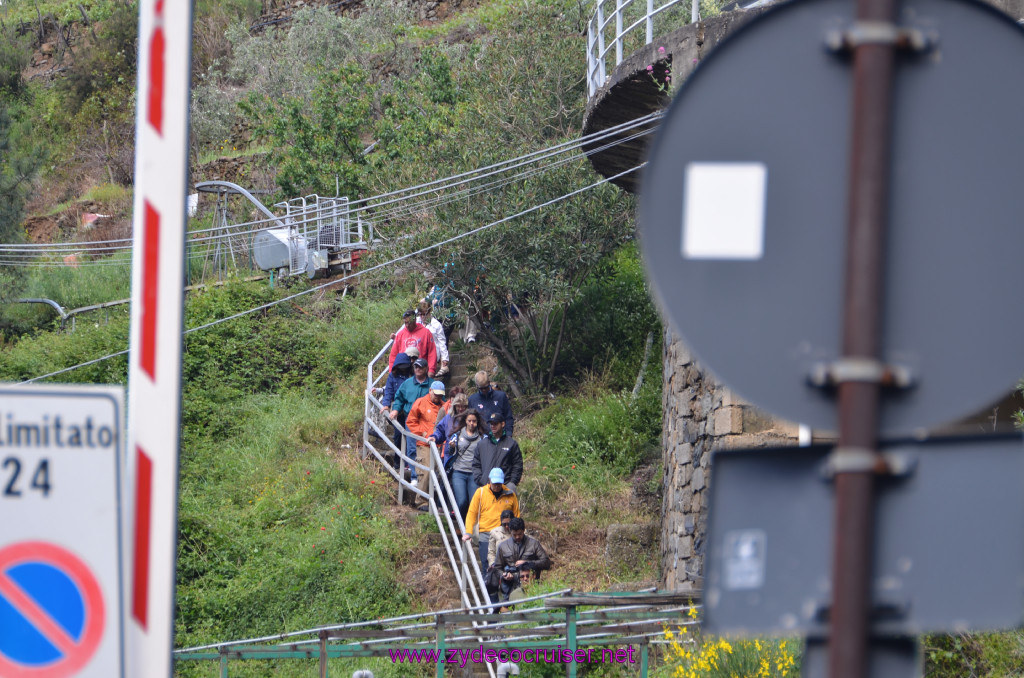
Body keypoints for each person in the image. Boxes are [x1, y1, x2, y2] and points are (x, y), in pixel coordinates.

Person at [462, 467, 519, 571]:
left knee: (504, 564)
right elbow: (472, 513)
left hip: (504, 534)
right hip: (485, 534)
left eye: (499, 484)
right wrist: (468, 532)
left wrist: (517, 533)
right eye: (494, 483)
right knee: (486, 565)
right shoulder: (481, 492)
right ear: (489, 481)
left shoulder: (510, 494)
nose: (496, 486)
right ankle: (486, 585)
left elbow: (517, 515)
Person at [406, 381, 447, 510]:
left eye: (440, 395)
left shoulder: (444, 406)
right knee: (425, 471)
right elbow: (410, 421)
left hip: (440, 443)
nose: (438, 397)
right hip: (424, 443)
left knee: (438, 473)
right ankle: (421, 501)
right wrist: (422, 433)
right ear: (430, 391)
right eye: (436, 394)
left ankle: (436, 502)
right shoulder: (420, 402)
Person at [493, 517, 551, 602]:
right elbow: (497, 568)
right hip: (510, 588)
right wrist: (504, 575)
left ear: (524, 530)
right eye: (514, 534)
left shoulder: (534, 544)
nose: (517, 537)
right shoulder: (503, 546)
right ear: (510, 531)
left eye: (520, 534)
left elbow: (546, 563)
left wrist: (527, 563)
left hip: (531, 587)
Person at [389, 358, 431, 475]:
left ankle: (426, 475)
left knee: (427, 447)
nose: (418, 369)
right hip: (411, 419)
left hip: (428, 420)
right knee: (412, 448)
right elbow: (399, 398)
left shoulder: (432, 384)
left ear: (426, 368)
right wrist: (396, 410)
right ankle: (414, 475)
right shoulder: (407, 384)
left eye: (420, 367)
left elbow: (440, 401)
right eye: (416, 367)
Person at [444, 410, 483, 520]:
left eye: (474, 421)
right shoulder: (457, 435)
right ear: (465, 421)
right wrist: (451, 447)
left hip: (474, 473)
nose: (471, 423)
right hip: (459, 472)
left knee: (473, 502)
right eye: (469, 421)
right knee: (462, 501)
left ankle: (469, 527)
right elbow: (450, 453)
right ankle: (462, 523)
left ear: (477, 422)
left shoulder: (481, 437)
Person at [473, 413, 523, 494]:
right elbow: (476, 463)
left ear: (502, 424)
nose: (493, 426)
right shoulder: (482, 444)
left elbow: (517, 464)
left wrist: (512, 481)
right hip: (487, 485)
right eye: (491, 424)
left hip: (505, 484)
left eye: (495, 424)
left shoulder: (511, 444)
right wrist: (481, 480)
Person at [388, 309, 438, 376]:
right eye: (405, 323)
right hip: (404, 370)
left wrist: (431, 370)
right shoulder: (400, 334)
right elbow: (393, 355)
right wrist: (392, 371)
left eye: (409, 322)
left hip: (421, 369)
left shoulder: (426, 333)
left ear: (414, 320)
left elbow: (432, 353)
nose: (407, 325)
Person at [417, 300, 450, 378]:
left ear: (429, 313)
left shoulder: (436, 325)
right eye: (420, 314)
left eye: (424, 314)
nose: (422, 317)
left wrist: (445, 358)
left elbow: (442, 342)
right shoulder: (416, 322)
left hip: (432, 353)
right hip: (419, 352)